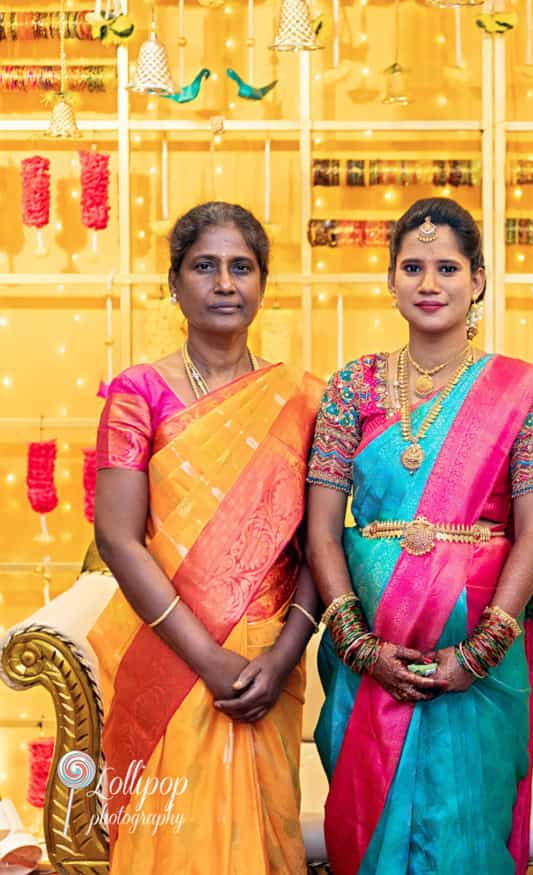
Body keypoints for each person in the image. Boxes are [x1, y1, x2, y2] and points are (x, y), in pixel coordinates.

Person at [306, 197, 533, 875]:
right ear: (389, 280)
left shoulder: (518, 393)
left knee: (464, 832)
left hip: (478, 657)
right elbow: (321, 530)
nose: (428, 282)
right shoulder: (349, 387)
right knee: (368, 829)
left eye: (446, 266)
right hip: (367, 657)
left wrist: (477, 654)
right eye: (412, 266)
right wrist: (357, 646)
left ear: (477, 279)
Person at [91, 201, 324, 874]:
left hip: (264, 664)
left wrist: (281, 656)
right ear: (174, 284)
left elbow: (318, 548)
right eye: (205, 266)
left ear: (261, 283)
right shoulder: (139, 393)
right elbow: (117, 538)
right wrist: (206, 656)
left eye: (241, 267)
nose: (225, 282)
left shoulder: (302, 400)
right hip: (169, 654)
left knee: (264, 838)